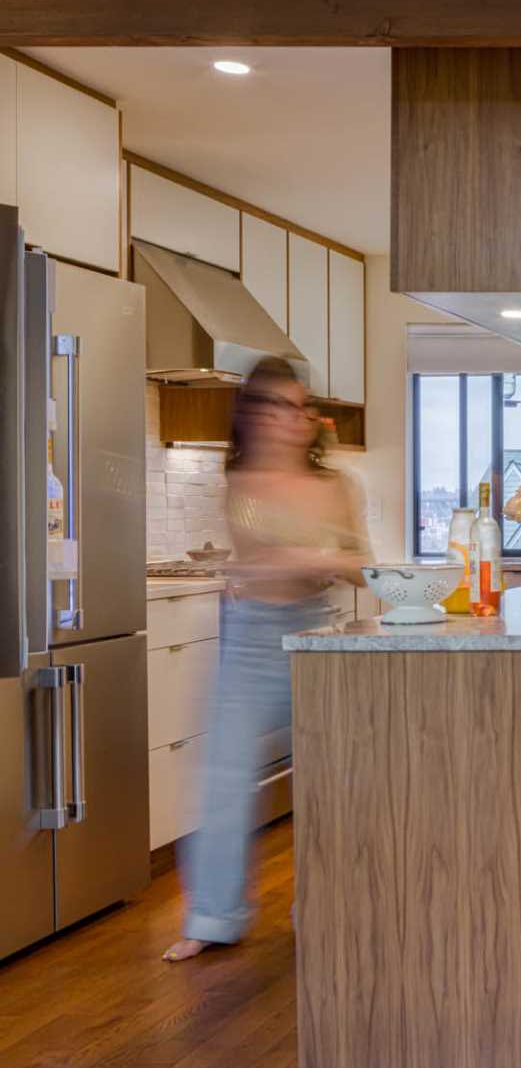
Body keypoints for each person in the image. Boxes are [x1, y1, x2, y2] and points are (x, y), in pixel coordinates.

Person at [163, 357, 369, 962]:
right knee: (223, 777)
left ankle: (325, 903)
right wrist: (304, 556)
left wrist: (307, 558)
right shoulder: (240, 484)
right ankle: (213, 915)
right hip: (251, 638)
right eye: (281, 406)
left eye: (302, 407)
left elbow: (361, 565)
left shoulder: (335, 487)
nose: (296, 418)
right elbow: (252, 561)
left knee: (334, 774)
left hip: (317, 629)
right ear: (253, 416)